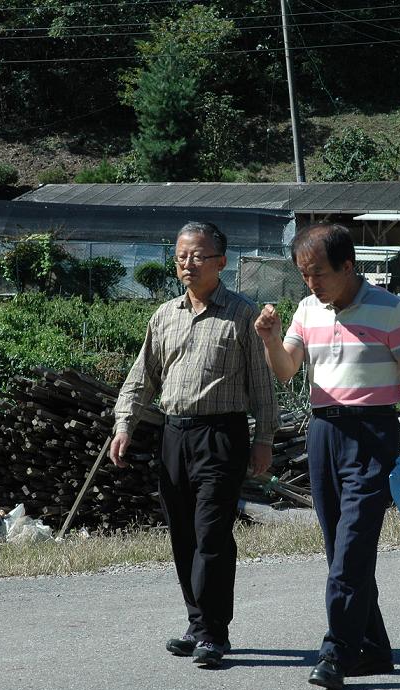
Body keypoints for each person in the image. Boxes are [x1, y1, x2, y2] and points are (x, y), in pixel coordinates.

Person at [254, 222, 400, 690]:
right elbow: (287, 370)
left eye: (318, 274)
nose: (311, 284)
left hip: (373, 432)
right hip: (324, 433)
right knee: (339, 548)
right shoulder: (306, 310)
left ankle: (337, 651)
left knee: (352, 549)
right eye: (304, 275)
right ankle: (373, 648)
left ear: (348, 266)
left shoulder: (393, 312)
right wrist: (272, 340)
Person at [111, 221, 277, 667]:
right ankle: (196, 621)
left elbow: (263, 388)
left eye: (199, 256)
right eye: (182, 256)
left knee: (212, 534)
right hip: (173, 434)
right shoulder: (164, 315)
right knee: (183, 534)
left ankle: (213, 633)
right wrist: (124, 425)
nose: (188, 264)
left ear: (221, 262)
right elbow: (140, 377)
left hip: (221, 436)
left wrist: (263, 440)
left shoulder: (242, 315)